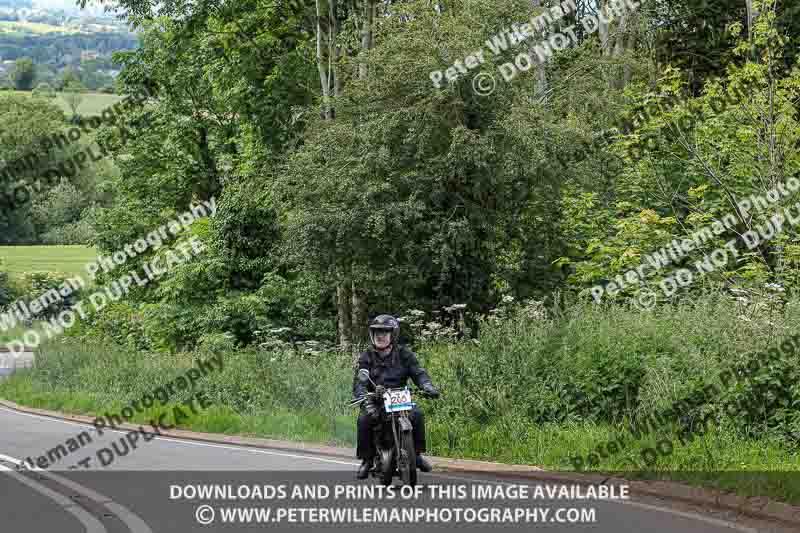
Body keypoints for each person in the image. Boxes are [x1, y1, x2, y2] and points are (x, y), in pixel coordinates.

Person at [352, 314, 440, 480]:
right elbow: (359, 382)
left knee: (417, 415)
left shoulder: (404, 354)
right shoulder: (367, 356)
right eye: (377, 332)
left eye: (384, 332)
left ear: (393, 335)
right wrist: (363, 396)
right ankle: (367, 459)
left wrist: (427, 386)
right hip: (375, 399)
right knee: (364, 419)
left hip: (400, 399)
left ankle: (417, 455)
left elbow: (418, 373)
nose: (380, 335)